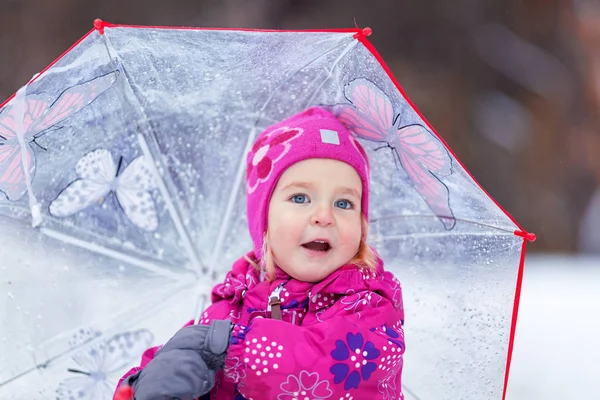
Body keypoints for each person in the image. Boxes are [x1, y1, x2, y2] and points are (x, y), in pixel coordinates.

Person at [114, 106, 405, 400]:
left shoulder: (370, 304)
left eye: (344, 203)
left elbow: (340, 371)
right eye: (300, 198)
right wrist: (149, 383)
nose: (324, 215)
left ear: (362, 226)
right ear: (263, 219)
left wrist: (235, 347)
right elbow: (175, 360)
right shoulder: (232, 305)